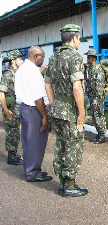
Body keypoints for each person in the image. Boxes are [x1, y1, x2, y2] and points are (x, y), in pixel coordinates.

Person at [45, 24, 88, 197]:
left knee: (62, 144)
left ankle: (63, 181)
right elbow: (77, 87)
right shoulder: (75, 57)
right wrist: (82, 112)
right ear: (75, 38)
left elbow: (47, 83)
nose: (80, 42)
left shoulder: (54, 57)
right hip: (70, 110)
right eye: (79, 39)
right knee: (73, 145)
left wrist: (54, 103)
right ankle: (69, 185)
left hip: (57, 109)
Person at [15, 46, 52, 182]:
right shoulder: (33, 72)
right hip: (33, 110)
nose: (43, 60)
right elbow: (38, 98)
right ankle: (32, 172)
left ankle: (32, 169)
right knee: (35, 142)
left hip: (25, 108)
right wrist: (44, 116)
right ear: (36, 56)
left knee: (29, 141)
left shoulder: (23, 69)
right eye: (42, 57)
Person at [84, 48, 108, 144]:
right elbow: (89, 83)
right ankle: (99, 134)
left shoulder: (98, 69)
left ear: (93, 58)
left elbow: (99, 86)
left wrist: (96, 100)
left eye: (88, 57)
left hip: (97, 98)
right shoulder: (90, 68)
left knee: (98, 116)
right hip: (92, 97)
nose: (87, 59)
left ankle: (102, 135)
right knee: (95, 116)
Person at [0, 50, 24, 165]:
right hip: (10, 108)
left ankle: (13, 153)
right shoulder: (8, 74)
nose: (22, 60)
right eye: (19, 59)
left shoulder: (18, 73)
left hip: (17, 107)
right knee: (12, 132)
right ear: (13, 60)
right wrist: (5, 110)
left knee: (15, 132)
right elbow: (1, 93)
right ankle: (11, 157)